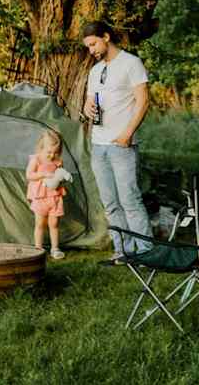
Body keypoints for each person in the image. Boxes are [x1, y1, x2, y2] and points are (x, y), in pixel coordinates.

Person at [81, 19, 152, 263]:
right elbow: (91, 100)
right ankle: (123, 250)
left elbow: (143, 102)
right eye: (88, 47)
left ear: (106, 37)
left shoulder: (131, 63)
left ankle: (145, 251)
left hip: (122, 144)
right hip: (98, 144)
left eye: (93, 44)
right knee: (110, 203)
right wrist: (88, 106)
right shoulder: (95, 70)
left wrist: (127, 133)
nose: (91, 50)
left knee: (129, 199)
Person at [26, 129, 68, 260]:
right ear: (41, 148)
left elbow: (59, 176)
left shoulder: (58, 161)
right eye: (49, 152)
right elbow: (29, 175)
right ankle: (38, 248)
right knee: (39, 224)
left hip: (54, 197)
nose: (52, 155)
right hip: (40, 197)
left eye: (56, 152)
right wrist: (43, 174)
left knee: (54, 223)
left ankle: (55, 248)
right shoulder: (36, 159)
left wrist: (62, 180)